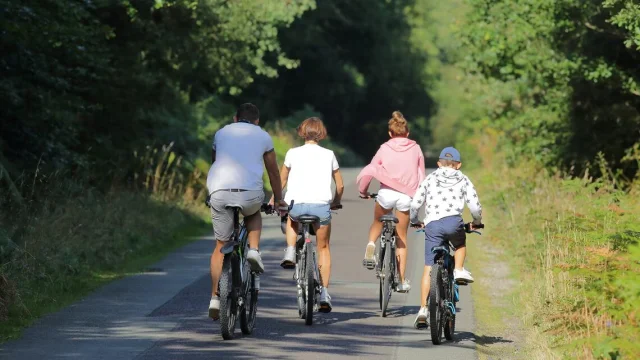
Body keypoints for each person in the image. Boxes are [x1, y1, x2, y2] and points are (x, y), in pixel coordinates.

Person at [206, 103, 287, 321]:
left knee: (220, 245)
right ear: (257, 121)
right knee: (253, 213)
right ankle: (254, 250)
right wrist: (279, 199)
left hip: (220, 191)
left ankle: (215, 298)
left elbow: (215, 161)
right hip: (249, 192)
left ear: (235, 118)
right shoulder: (263, 136)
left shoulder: (221, 133)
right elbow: (273, 171)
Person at [275, 117, 344, 313]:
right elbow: (340, 185)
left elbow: (282, 180)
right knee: (323, 248)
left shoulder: (292, 153)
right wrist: (336, 201)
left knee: (291, 218)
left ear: (302, 132)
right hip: (321, 206)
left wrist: (276, 199)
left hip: (297, 205)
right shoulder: (329, 154)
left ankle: (289, 250)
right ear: (322, 133)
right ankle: (324, 293)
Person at [409, 146, 483, 328]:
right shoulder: (463, 178)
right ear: (458, 165)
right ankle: (458, 270)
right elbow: (474, 205)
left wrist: (415, 220)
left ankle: (423, 310)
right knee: (459, 244)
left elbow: (416, 202)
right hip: (453, 222)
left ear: (438, 164)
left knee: (428, 267)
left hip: (432, 225)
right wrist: (477, 221)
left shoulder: (430, 178)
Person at [356, 111, 425, 293]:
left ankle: (371, 246)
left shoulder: (384, 148)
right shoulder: (416, 149)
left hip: (386, 193)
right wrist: (418, 199)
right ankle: (401, 281)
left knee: (377, 222)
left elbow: (371, 169)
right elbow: (421, 176)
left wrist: (363, 191)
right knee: (401, 237)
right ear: (407, 133)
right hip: (406, 197)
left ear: (390, 133)